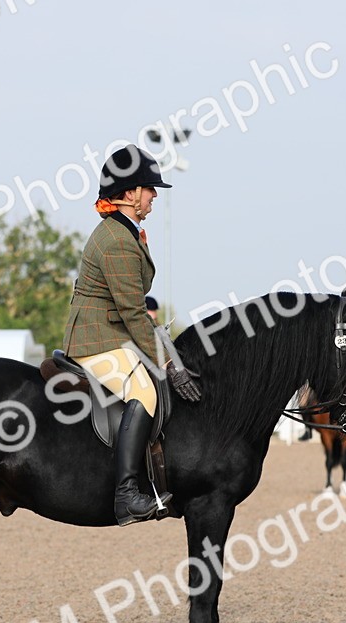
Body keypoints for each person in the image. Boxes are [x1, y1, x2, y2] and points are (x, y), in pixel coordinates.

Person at [63, 144, 202, 526]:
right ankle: (126, 495)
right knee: (144, 389)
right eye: (149, 189)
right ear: (129, 194)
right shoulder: (117, 241)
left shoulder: (126, 232)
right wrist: (170, 364)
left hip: (112, 331)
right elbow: (133, 312)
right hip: (98, 337)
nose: (154, 195)